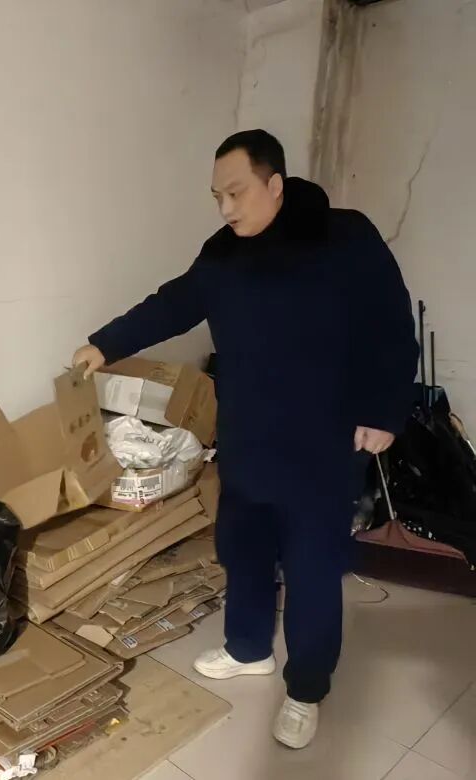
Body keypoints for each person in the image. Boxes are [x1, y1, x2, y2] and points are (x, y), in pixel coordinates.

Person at [73, 130, 418, 750]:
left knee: (312, 568)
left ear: (274, 185)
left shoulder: (344, 237)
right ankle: (249, 648)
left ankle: (306, 688)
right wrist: (105, 343)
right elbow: (175, 303)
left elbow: (391, 326)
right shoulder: (224, 253)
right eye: (217, 197)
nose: (226, 208)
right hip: (250, 432)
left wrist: (384, 411)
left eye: (236, 193)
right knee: (244, 547)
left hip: (322, 439)